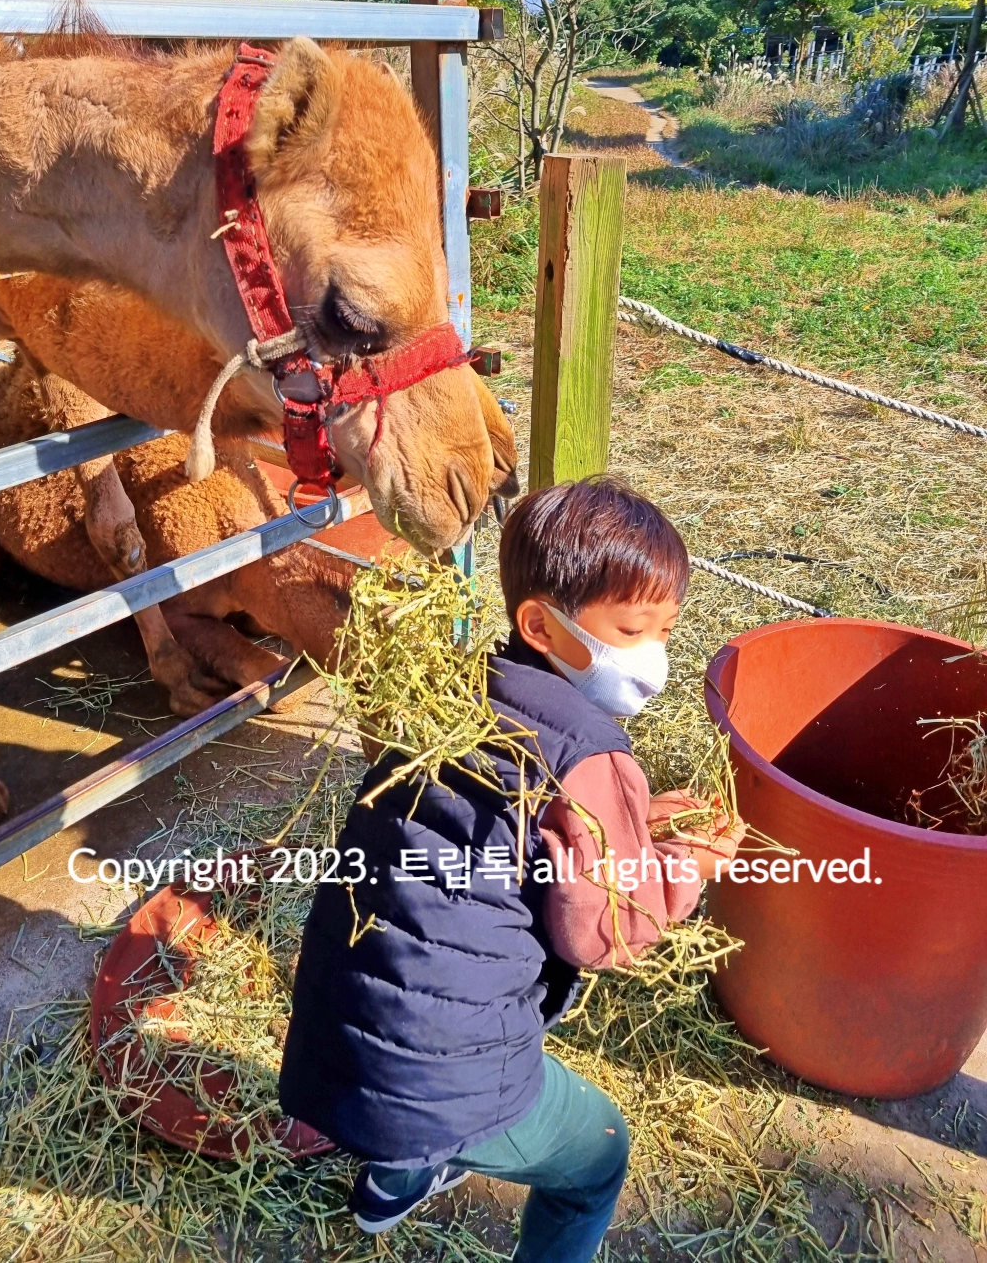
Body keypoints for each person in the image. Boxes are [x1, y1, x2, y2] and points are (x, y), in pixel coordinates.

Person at [279, 477, 746, 1262]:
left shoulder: (452, 698)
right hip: (445, 1071)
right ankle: (423, 1155)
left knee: (420, 1075)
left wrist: (635, 823)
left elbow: (512, 847)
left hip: (342, 1026)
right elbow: (602, 930)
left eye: (666, 629)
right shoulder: (590, 753)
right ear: (541, 624)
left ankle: (394, 1178)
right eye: (631, 629)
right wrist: (689, 863)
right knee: (598, 1155)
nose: (653, 657)